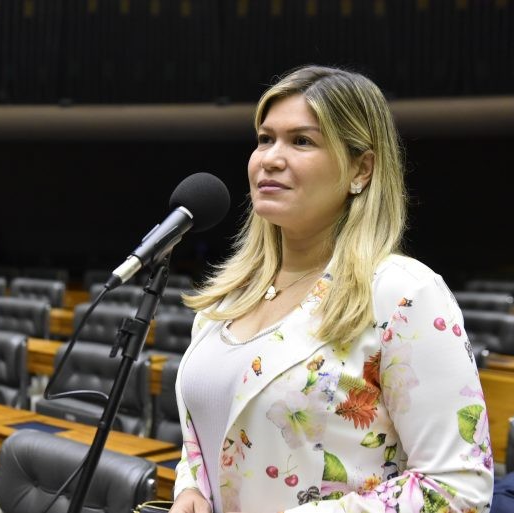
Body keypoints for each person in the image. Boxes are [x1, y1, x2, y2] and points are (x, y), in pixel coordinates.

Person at [170, 65, 494, 513]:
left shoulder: (405, 294)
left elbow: (458, 490)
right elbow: (205, 437)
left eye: (301, 141)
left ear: (362, 169)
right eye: (265, 139)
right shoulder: (229, 295)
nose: (270, 158)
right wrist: (191, 487)